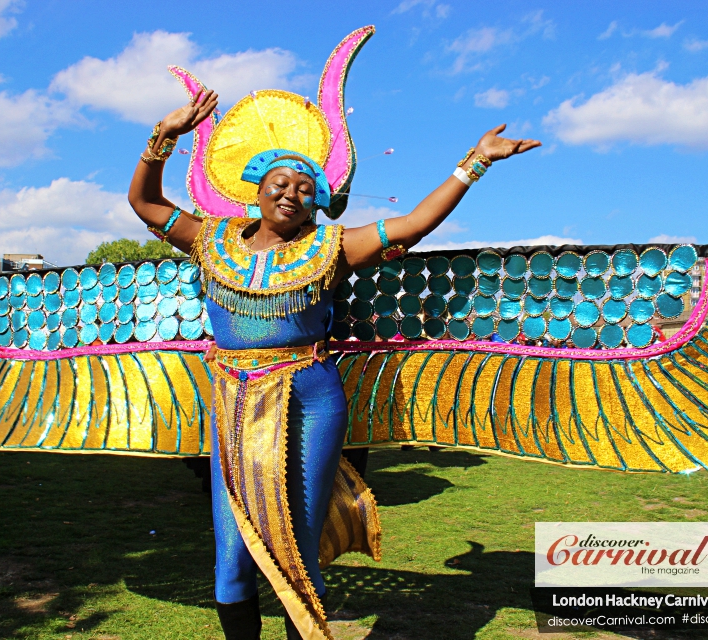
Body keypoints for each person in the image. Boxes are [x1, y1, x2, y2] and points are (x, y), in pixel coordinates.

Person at [128, 89, 539, 639]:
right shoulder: (210, 238)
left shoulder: (334, 247)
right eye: (281, 182)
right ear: (258, 189)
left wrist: (476, 161)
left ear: (318, 200)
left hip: (309, 400)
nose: (292, 193)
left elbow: (414, 224)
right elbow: (146, 205)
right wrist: (164, 135)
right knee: (231, 552)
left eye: (305, 187)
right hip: (230, 400)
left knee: (298, 540)